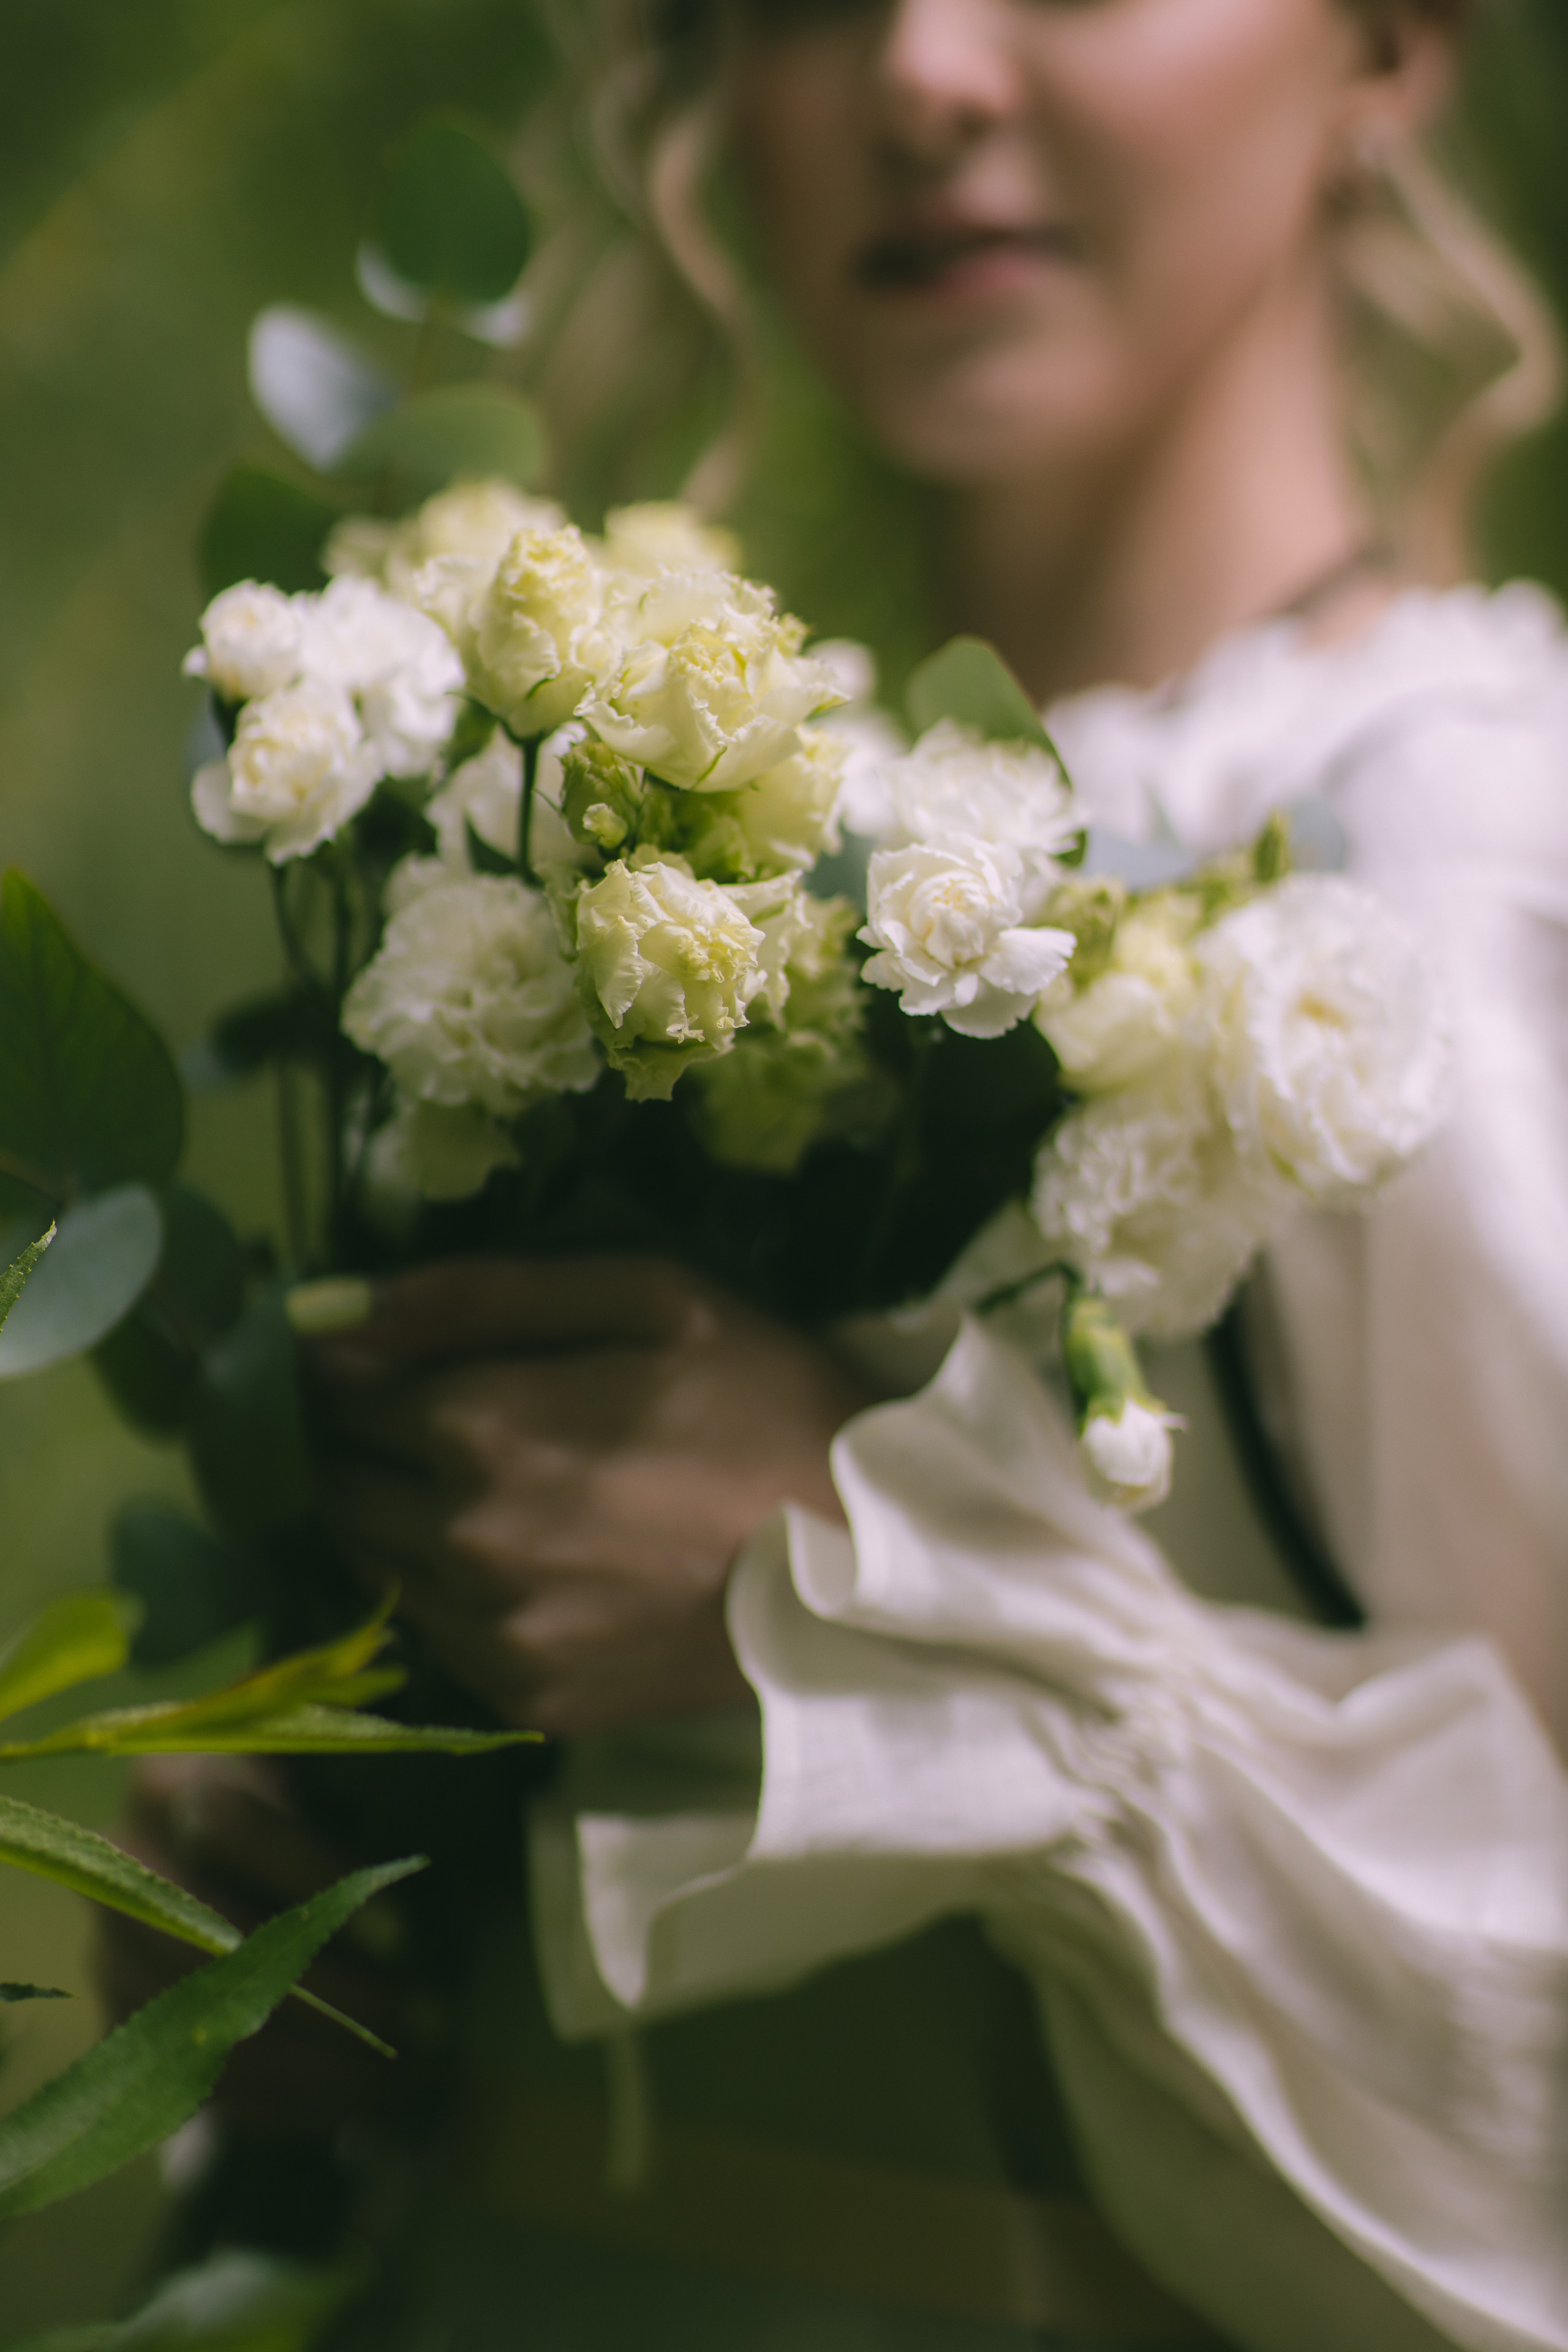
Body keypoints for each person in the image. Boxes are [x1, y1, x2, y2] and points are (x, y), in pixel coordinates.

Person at [103, 3, 1568, 2347]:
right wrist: (326, 1943)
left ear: (1389, 43)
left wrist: (884, 1595)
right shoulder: (635, 832)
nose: (924, 75)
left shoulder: (1452, 868)